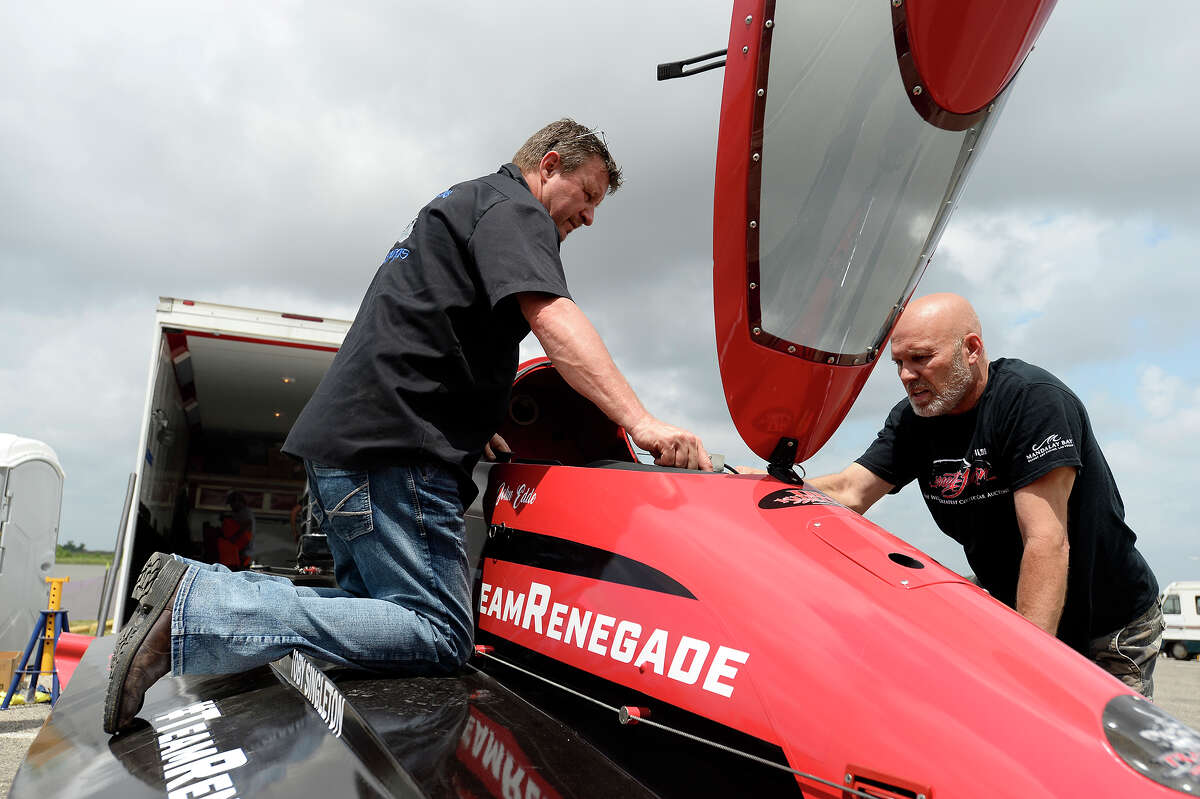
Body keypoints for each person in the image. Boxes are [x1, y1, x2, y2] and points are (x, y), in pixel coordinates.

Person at [104, 118, 711, 733]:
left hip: (348, 449)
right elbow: (553, 316)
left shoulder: (465, 203)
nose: (589, 218)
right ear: (549, 165)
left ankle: (197, 605)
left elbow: (424, 321)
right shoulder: (516, 211)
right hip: (395, 456)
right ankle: (198, 604)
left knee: (374, 615)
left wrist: (471, 416)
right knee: (439, 631)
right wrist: (639, 421)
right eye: (588, 196)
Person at [805, 293, 1163, 697]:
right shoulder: (913, 420)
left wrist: (1030, 669)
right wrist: (761, 482)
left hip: (1109, 623)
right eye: (899, 363)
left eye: (920, 358)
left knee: (1084, 735)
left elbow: (1046, 540)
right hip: (1017, 612)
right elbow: (850, 490)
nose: (906, 375)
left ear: (971, 349)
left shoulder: (1032, 401)